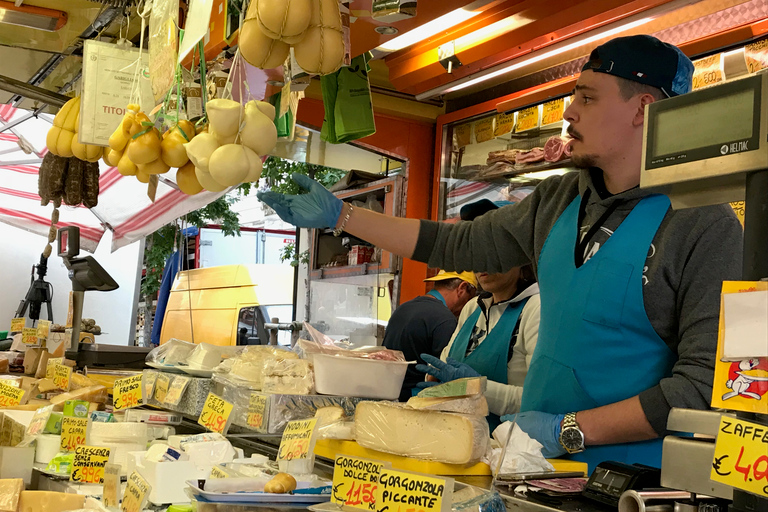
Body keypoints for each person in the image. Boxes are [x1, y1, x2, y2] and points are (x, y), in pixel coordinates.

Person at [257, 35, 743, 470]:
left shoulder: (703, 222)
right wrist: (342, 219)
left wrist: (567, 431)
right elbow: (457, 242)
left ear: (642, 110)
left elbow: (706, 386)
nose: (569, 113)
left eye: (588, 98)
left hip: (638, 484)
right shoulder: (559, 198)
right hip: (534, 468)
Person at [416, 200, 541, 430]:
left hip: (504, 451)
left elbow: (538, 402)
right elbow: (444, 365)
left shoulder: (536, 309)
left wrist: (477, 388)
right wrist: (436, 380)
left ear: (521, 253)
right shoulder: (473, 307)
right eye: (475, 252)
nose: (481, 262)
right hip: (455, 439)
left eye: (493, 250)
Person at [383, 270, 477, 401]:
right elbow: (442, 370)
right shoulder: (445, 320)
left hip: (386, 394)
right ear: (462, 288)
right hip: (414, 401)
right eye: (470, 298)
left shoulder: (403, 308)